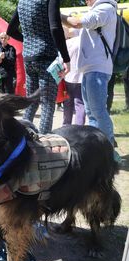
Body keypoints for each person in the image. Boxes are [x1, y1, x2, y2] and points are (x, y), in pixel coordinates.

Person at [61, 0, 119, 154]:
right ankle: (97, 150)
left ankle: (109, 151)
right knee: (91, 113)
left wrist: (55, 13)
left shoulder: (105, 9)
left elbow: (77, 23)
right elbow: (71, 30)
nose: (86, 0)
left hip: (97, 69)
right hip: (90, 69)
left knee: (98, 111)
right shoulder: (96, 11)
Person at [7, 0, 70, 134]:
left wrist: (29, 40)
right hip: (47, 57)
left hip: (29, 57)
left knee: (31, 102)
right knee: (48, 104)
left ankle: (21, 135)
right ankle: (43, 141)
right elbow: (55, 27)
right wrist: (66, 57)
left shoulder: (22, 2)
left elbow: (10, 30)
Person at [62, 27, 86, 126]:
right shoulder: (86, 43)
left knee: (67, 103)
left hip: (68, 76)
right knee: (80, 103)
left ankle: (66, 125)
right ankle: (79, 127)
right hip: (82, 76)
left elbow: (61, 60)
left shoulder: (68, 43)